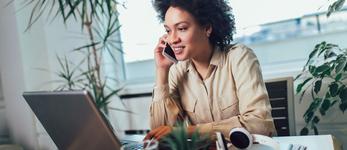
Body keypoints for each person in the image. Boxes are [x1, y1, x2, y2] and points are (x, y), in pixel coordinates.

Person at [144, 0, 276, 142]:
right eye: (168, 31)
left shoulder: (239, 57)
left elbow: (260, 125)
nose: (172, 39)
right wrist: (162, 71)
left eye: (182, 28)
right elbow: (160, 134)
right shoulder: (176, 71)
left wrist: (189, 131)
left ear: (207, 28)